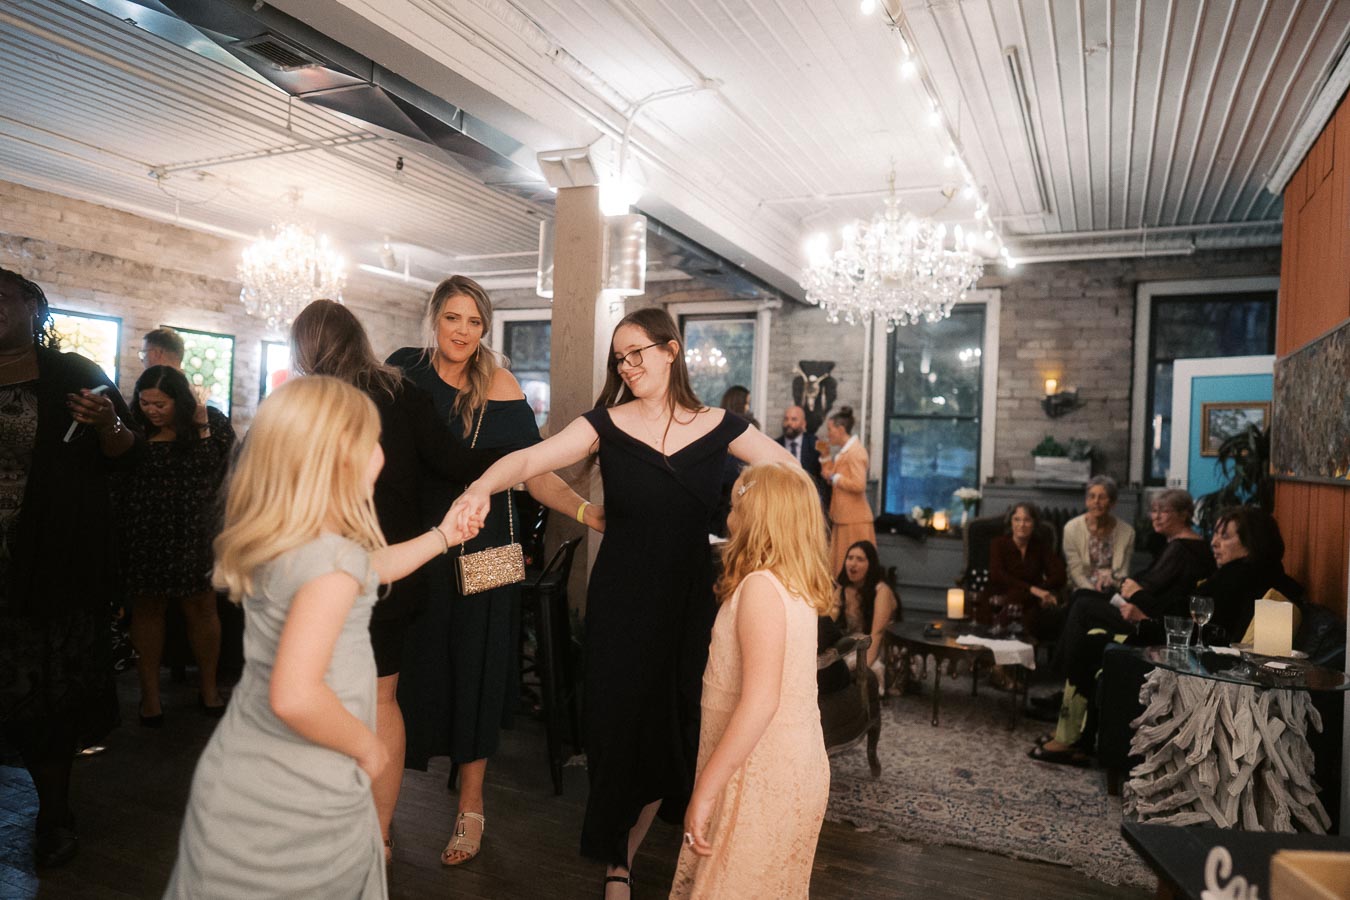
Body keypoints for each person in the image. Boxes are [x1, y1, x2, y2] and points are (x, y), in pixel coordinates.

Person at [448, 307, 794, 897]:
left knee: (672, 727)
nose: (627, 366)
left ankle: (634, 852)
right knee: (613, 730)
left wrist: (758, 523)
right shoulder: (605, 424)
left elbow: (789, 475)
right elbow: (531, 460)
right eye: (619, 358)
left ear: (671, 350)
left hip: (688, 605)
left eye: (637, 353)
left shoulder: (721, 426)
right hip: (620, 605)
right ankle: (616, 864)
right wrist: (481, 485)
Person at [163, 375, 483, 898]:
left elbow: (371, 566)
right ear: (338, 459)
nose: (382, 453)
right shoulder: (330, 563)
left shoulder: (297, 540)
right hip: (297, 782)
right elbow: (296, 695)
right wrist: (369, 748)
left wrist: (444, 536)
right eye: (372, 441)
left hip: (243, 765)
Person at [387, 275, 602, 868]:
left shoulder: (500, 384)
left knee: (478, 670)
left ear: (486, 328)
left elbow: (533, 469)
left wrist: (588, 511)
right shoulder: (403, 371)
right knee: (409, 672)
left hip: (487, 550)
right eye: (453, 318)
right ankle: (383, 806)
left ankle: (471, 808)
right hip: (419, 545)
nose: (462, 331)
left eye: (474, 322)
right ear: (435, 319)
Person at [289, 298, 498, 863]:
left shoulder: (304, 402)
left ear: (307, 348)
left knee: (314, 694)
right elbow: (458, 464)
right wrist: (520, 460)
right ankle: (378, 835)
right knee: (382, 697)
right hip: (394, 569)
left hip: (318, 570)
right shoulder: (405, 392)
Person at [0, 268, 140, 867]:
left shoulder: (72, 375)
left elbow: (125, 452)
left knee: (44, 697)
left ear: (34, 307)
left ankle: (54, 814)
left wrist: (105, 423)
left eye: (1, 298)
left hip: (46, 564)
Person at [670, 462, 831, 898]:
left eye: (736, 505)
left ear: (758, 516)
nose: (728, 517)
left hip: (762, 768)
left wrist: (704, 791)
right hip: (787, 762)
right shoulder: (794, 583)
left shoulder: (762, 588)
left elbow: (761, 701)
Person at [1031, 489, 1213, 766]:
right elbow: (1150, 583)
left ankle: (1065, 686)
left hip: (1149, 619)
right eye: (1153, 511)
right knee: (1081, 598)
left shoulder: (1183, 548)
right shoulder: (1174, 543)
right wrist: (1124, 585)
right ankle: (1067, 695)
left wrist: (1130, 589)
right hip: (1145, 607)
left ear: (1184, 515)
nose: (1155, 516)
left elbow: (1156, 594)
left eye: (1163, 511)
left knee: (1082, 606)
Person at [116, 365, 235, 725]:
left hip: (195, 530)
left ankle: (209, 688)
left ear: (179, 401)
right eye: (145, 402)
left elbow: (217, 468)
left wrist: (199, 424)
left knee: (201, 607)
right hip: (145, 530)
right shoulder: (133, 427)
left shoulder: (211, 421)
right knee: (148, 610)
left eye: (160, 404)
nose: (151, 410)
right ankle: (150, 697)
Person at [984, 502, 1066, 639]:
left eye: (1027, 520)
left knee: (1027, 609)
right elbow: (997, 575)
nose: (1022, 525)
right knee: (1019, 603)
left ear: (1034, 523)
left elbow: (1060, 575)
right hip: (1000, 597)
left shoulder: (1040, 546)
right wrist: (1033, 590)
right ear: (1010, 522)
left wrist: (1041, 591)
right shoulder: (998, 543)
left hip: (1029, 601)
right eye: (1017, 519)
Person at [832, 540, 899, 683]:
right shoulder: (843, 590)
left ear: (871, 565)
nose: (853, 564)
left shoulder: (881, 591)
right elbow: (829, 623)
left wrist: (862, 668)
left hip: (879, 649)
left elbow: (877, 634)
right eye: (850, 558)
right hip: (852, 645)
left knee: (866, 672)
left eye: (860, 559)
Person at [818, 405, 875, 573]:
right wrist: (825, 455)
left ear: (841, 429)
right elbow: (830, 476)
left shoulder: (855, 452)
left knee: (850, 568)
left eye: (830, 429)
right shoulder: (845, 452)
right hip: (843, 517)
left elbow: (859, 484)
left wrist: (834, 477)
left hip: (854, 520)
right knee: (837, 567)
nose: (828, 434)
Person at [1061, 476, 1136, 594]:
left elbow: (1122, 572)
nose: (1096, 502)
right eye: (1092, 497)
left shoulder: (1127, 532)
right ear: (1086, 501)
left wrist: (1109, 585)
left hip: (1112, 588)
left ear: (1112, 503)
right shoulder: (1071, 528)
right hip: (1081, 588)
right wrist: (1093, 592)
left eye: (1102, 497)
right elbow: (1075, 571)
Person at [776, 405, 825, 499]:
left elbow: (823, 477)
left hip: (808, 497)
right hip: (782, 497)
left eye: (794, 419)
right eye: (786, 419)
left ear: (804, 424)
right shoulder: (775, 444)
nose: (788, 423)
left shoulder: (817, 443)